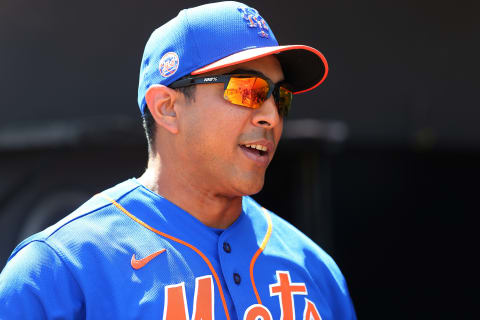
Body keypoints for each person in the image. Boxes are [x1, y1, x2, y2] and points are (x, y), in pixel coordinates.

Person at [0, 2, 356, 319]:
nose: (271, 117)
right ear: (168, 109)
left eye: (280, 97)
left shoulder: (314, 269)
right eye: (248, 90)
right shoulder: (59, 271)